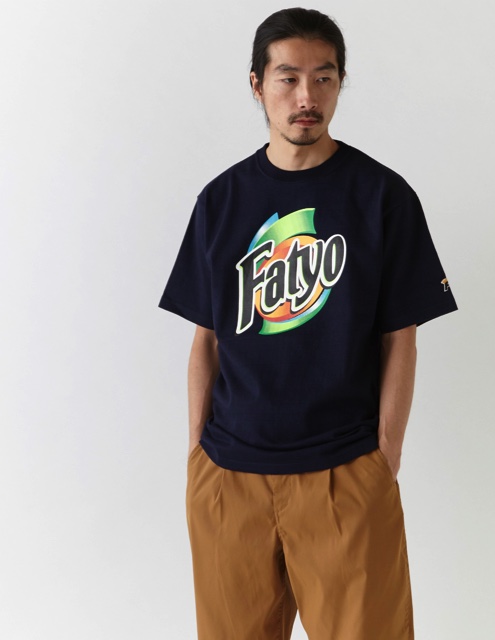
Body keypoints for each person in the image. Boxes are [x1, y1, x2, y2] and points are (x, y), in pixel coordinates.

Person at [159, 7, 457, 639]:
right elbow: (205, 339)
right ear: (257, 84)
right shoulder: (221, 201)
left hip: (344, 473)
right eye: (288, 77)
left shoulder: (383, 197)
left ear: (340, 83)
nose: (306, 97)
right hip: (229, 478)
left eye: (324, 78)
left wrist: (383, 461)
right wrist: (197, 458)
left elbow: (401, 338)